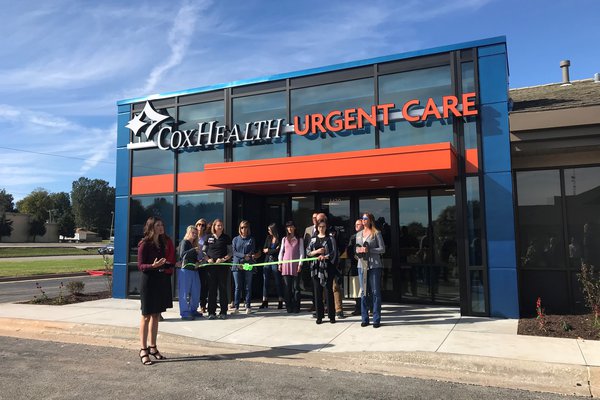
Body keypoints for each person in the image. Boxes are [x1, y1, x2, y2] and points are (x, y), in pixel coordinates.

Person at [136, 216, 175, 365]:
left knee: (156, 316)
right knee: (146, 316)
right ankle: (143, 349)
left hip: (160, 281)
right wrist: (153, 266)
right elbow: (140, 266)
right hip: (148, 282)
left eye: (162, 225)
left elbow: (163, 264)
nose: (161, 227)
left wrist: (171, 264)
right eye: (158, 225)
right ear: (151, 228)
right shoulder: (144, 244)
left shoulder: (163, 243)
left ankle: (153, 347)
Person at [356, 212, 385, 328]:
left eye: (365, 218)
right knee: (363, 292)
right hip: (362, 264)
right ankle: (364, 318)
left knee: (375, 292)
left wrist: (370, 250)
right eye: (362, 218)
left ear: (370, 220)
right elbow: (356, 248)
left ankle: (376, 319)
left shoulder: (376, 233)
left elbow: (382, 249)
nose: (363, 220)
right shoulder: (358, 234)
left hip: (374, 265)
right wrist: (358, 251)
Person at [306, 218, 338, 324]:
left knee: (328, 291)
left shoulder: (330, 238)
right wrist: (317, 252)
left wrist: (326, 257)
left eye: (323, 226)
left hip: (327, 268)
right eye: (320, 227)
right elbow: (308, 252)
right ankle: (319, 316)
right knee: (317, 292)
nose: (321, 228)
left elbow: (334, 253)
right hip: (316, 269)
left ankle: (331, 316)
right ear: (317, 228)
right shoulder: (313, 239)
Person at [316, 212, 344, 319]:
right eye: (318, 220)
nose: (319, 222)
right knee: (321, 288)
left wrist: (334, 257)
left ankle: (338, 309)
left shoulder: (334, 231)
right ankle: (322, 310)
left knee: (335, 286)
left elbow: (341, 245)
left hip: (333, 263)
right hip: (320, 265)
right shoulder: (316, 231)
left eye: (321, 220)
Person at [202, 219, 232, 320]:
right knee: (212, 289)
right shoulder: (208, 237)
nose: (220, 227)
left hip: (222, 267)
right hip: (211, 267)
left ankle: (223, 312)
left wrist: (223, 259)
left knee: (223, 289)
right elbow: (204, 252)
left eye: (221, 225)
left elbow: (230, 252)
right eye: (218, 225)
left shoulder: (226, 238)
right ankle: (211, 312)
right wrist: (208, 259)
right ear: (214, 227)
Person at [232, 220, 259, 314]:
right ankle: (236, 307)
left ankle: (248, 306)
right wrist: (243, 256)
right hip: (237, 264)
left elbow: (252, 251)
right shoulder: (235, 239)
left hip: (248, 264)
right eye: (242, 227)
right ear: (240, 228)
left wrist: (248, 257)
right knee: (238, 287)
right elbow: (234, 252)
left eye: (246, 227)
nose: (244, 229)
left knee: (248, 286)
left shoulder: (251, 239)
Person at [278, 221, 304, 313]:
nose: (290, 229)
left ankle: (296, 307)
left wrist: (300, 264)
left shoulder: (299, 239)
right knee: (287, 288)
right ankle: (288, 306)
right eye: (288, 227)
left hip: (296, 265)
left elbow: (301, 252)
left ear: (294, 228)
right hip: (286, 265)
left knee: (296, 288)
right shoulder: (284, 239)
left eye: (291, 227)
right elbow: (281, 251)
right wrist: (280, 263)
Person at [177, 225, 201, 320]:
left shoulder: (194, 245)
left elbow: (194, 258)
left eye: (196, 233)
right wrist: (193, 250)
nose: (194, 235)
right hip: (185, 270)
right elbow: (182, 254)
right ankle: (184, 312)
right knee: (184, 292)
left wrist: (198, 262)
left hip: (194, 270)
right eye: (192, 232)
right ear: (188, 233)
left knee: (196, 291)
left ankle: (193, 310)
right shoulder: (184, 242)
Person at [260, 223, 283, 309]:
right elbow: (264, 249)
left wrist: (269, 250)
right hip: (267, 261)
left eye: (269, 230)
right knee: (265, 281)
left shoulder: (279, 239)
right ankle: (264, 300)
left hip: (275, 261)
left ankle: (280, 300)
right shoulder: (268, 238)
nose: (268, 231)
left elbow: (278, 250)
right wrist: (272, 250)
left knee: (277, 281)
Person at [346, 219, 364, 316]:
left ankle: (368, 307)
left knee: (366, 287)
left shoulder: (367, 235)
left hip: (365, 265)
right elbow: (349, 250)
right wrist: (353, 256)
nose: (356, 226)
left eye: (358, 224)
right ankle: (358, 308)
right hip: (355, 265)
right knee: (357, 288)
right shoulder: (353, 237)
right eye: (355, 224)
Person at [195, 219, 209, 314]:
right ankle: (194, 305)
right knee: (195, 286)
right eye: (199, 224)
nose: (200, 227)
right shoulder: (193, 236)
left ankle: (203, 305)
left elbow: (209, 250)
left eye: (203, 225)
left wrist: (204, 260)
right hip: (195, 265)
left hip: (204, 264)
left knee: (204, 286)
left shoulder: (207, 237)